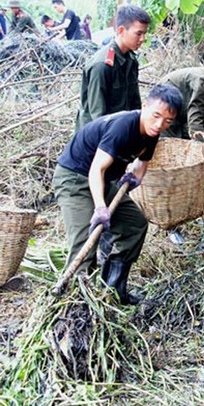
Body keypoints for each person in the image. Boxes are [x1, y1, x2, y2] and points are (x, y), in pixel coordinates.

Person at [52, 84, 184, 305]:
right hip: (75, 178)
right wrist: (100, 207)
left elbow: (142, 162)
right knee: (86, 238)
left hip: (102, 180)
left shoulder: (151, 134)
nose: (160, 124)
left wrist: (135, 179)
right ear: (145, 107)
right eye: (156, 116)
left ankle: (113, 291)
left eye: (168, 121)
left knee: (135, 222)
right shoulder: (123, 126)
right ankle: (75, 305)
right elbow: (97, 169)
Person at [76, 5, 150, 131]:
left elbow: (134, 104)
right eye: (138, 34)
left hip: (120, 130)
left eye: (144, 34)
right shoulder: (102, 65)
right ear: (121, 30)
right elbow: (97, 116)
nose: (142, 39)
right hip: (96, 136)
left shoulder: (131, 61)